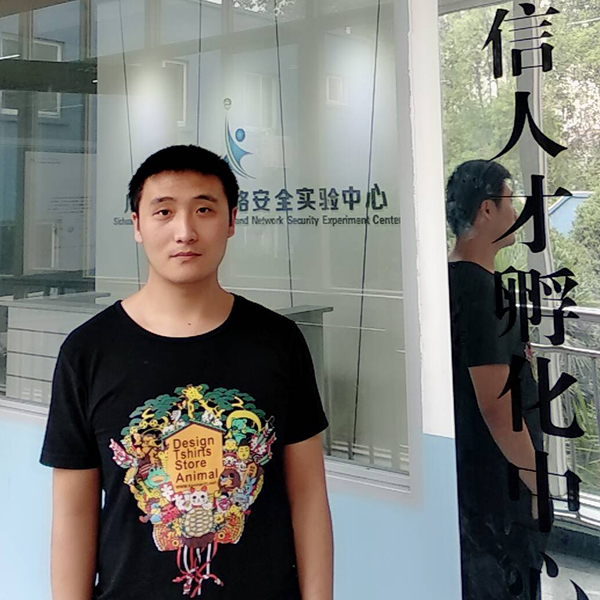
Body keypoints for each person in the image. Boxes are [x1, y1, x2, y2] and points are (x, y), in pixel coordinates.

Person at [40, 145, 333, 600]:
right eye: (163, 211)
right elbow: (73, 513)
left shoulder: (278, 342)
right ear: (137, 225)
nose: (185, 231)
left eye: (203, 210)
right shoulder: (88, 352)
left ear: (231, 220)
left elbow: (309, 497)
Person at [446, 160, 549, 599]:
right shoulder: (484, 295)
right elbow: (496, 405)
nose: (517, 212)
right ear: (487, 209)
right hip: (497, 496)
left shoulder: (447, 281)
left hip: (467, 482)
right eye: (510, 202)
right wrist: (537, 481)